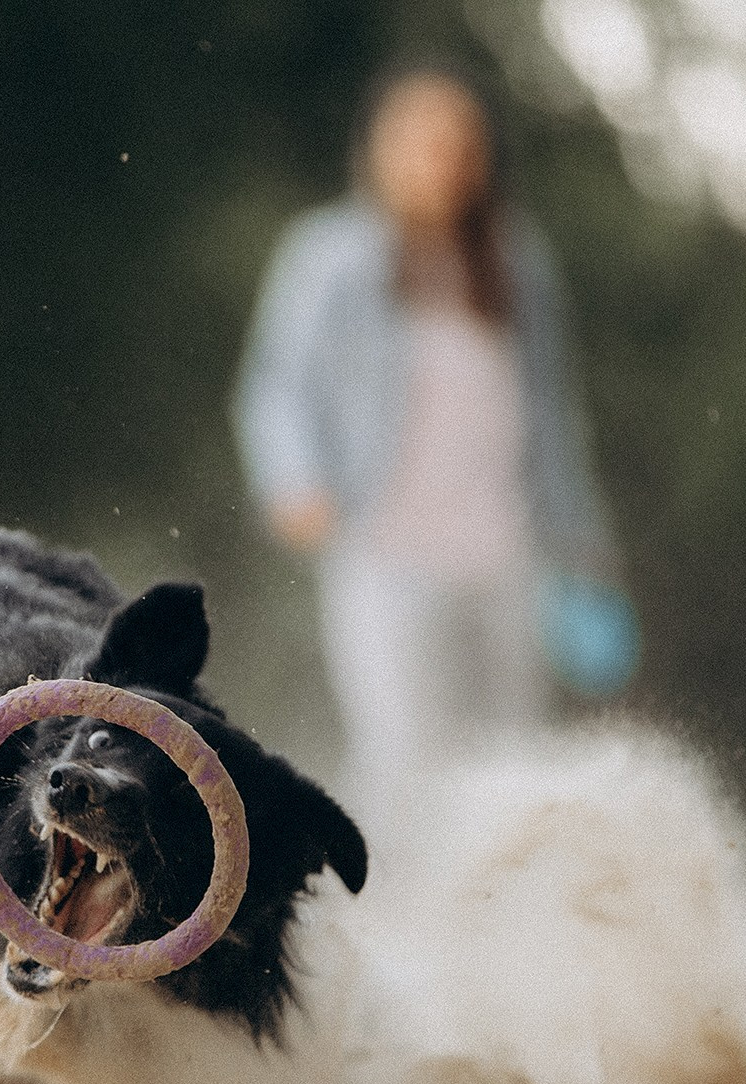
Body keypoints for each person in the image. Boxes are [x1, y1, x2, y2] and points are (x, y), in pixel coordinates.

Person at [232, 69, 635, 824]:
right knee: (403, 757)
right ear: (378, 150)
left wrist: (584, 547)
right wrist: (293, 479)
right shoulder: (328, 256)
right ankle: (395, 925)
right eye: (418, 139)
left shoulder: (518, 264)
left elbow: (551, 417)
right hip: (387, 553)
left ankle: (491, 925)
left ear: (481, 158)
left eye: (456, 142)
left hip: (507, 557)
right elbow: (278, 387)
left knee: (515, 758)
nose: (439, 157)